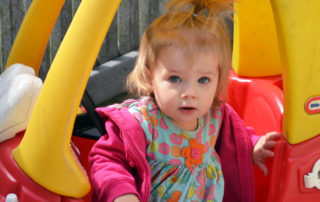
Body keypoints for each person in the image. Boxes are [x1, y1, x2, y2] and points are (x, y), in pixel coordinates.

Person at [89, 0, 280, 201]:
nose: (190, 93)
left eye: (203, 80)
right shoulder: (141, 122)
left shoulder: (215, 116)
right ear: (149, 78)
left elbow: (235, 141)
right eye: (175, 78)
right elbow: (107, 160)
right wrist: (122, 193)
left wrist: (252, 146)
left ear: (219, 80)